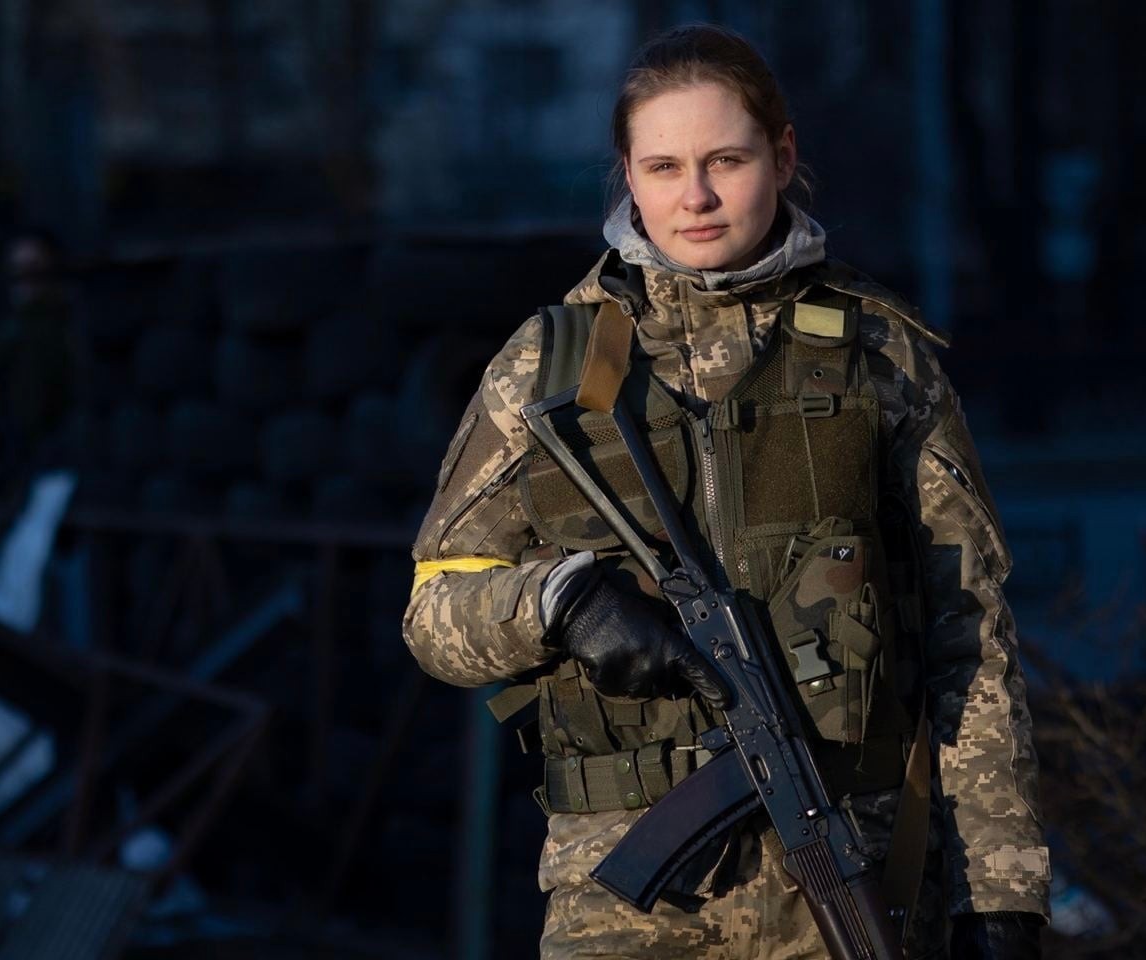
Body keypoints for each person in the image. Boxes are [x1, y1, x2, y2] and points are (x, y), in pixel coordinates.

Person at [404, 23, 1048, 960]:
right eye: (663, 167)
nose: (696, 196)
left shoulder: (880, 355)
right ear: (629, 178)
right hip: (624, 908)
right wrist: (559, 602)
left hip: (855, 878)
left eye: (727, 161)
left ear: (782, 158)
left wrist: (1002, 891)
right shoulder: (546, 368)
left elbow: (971, 632)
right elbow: (433, 611)